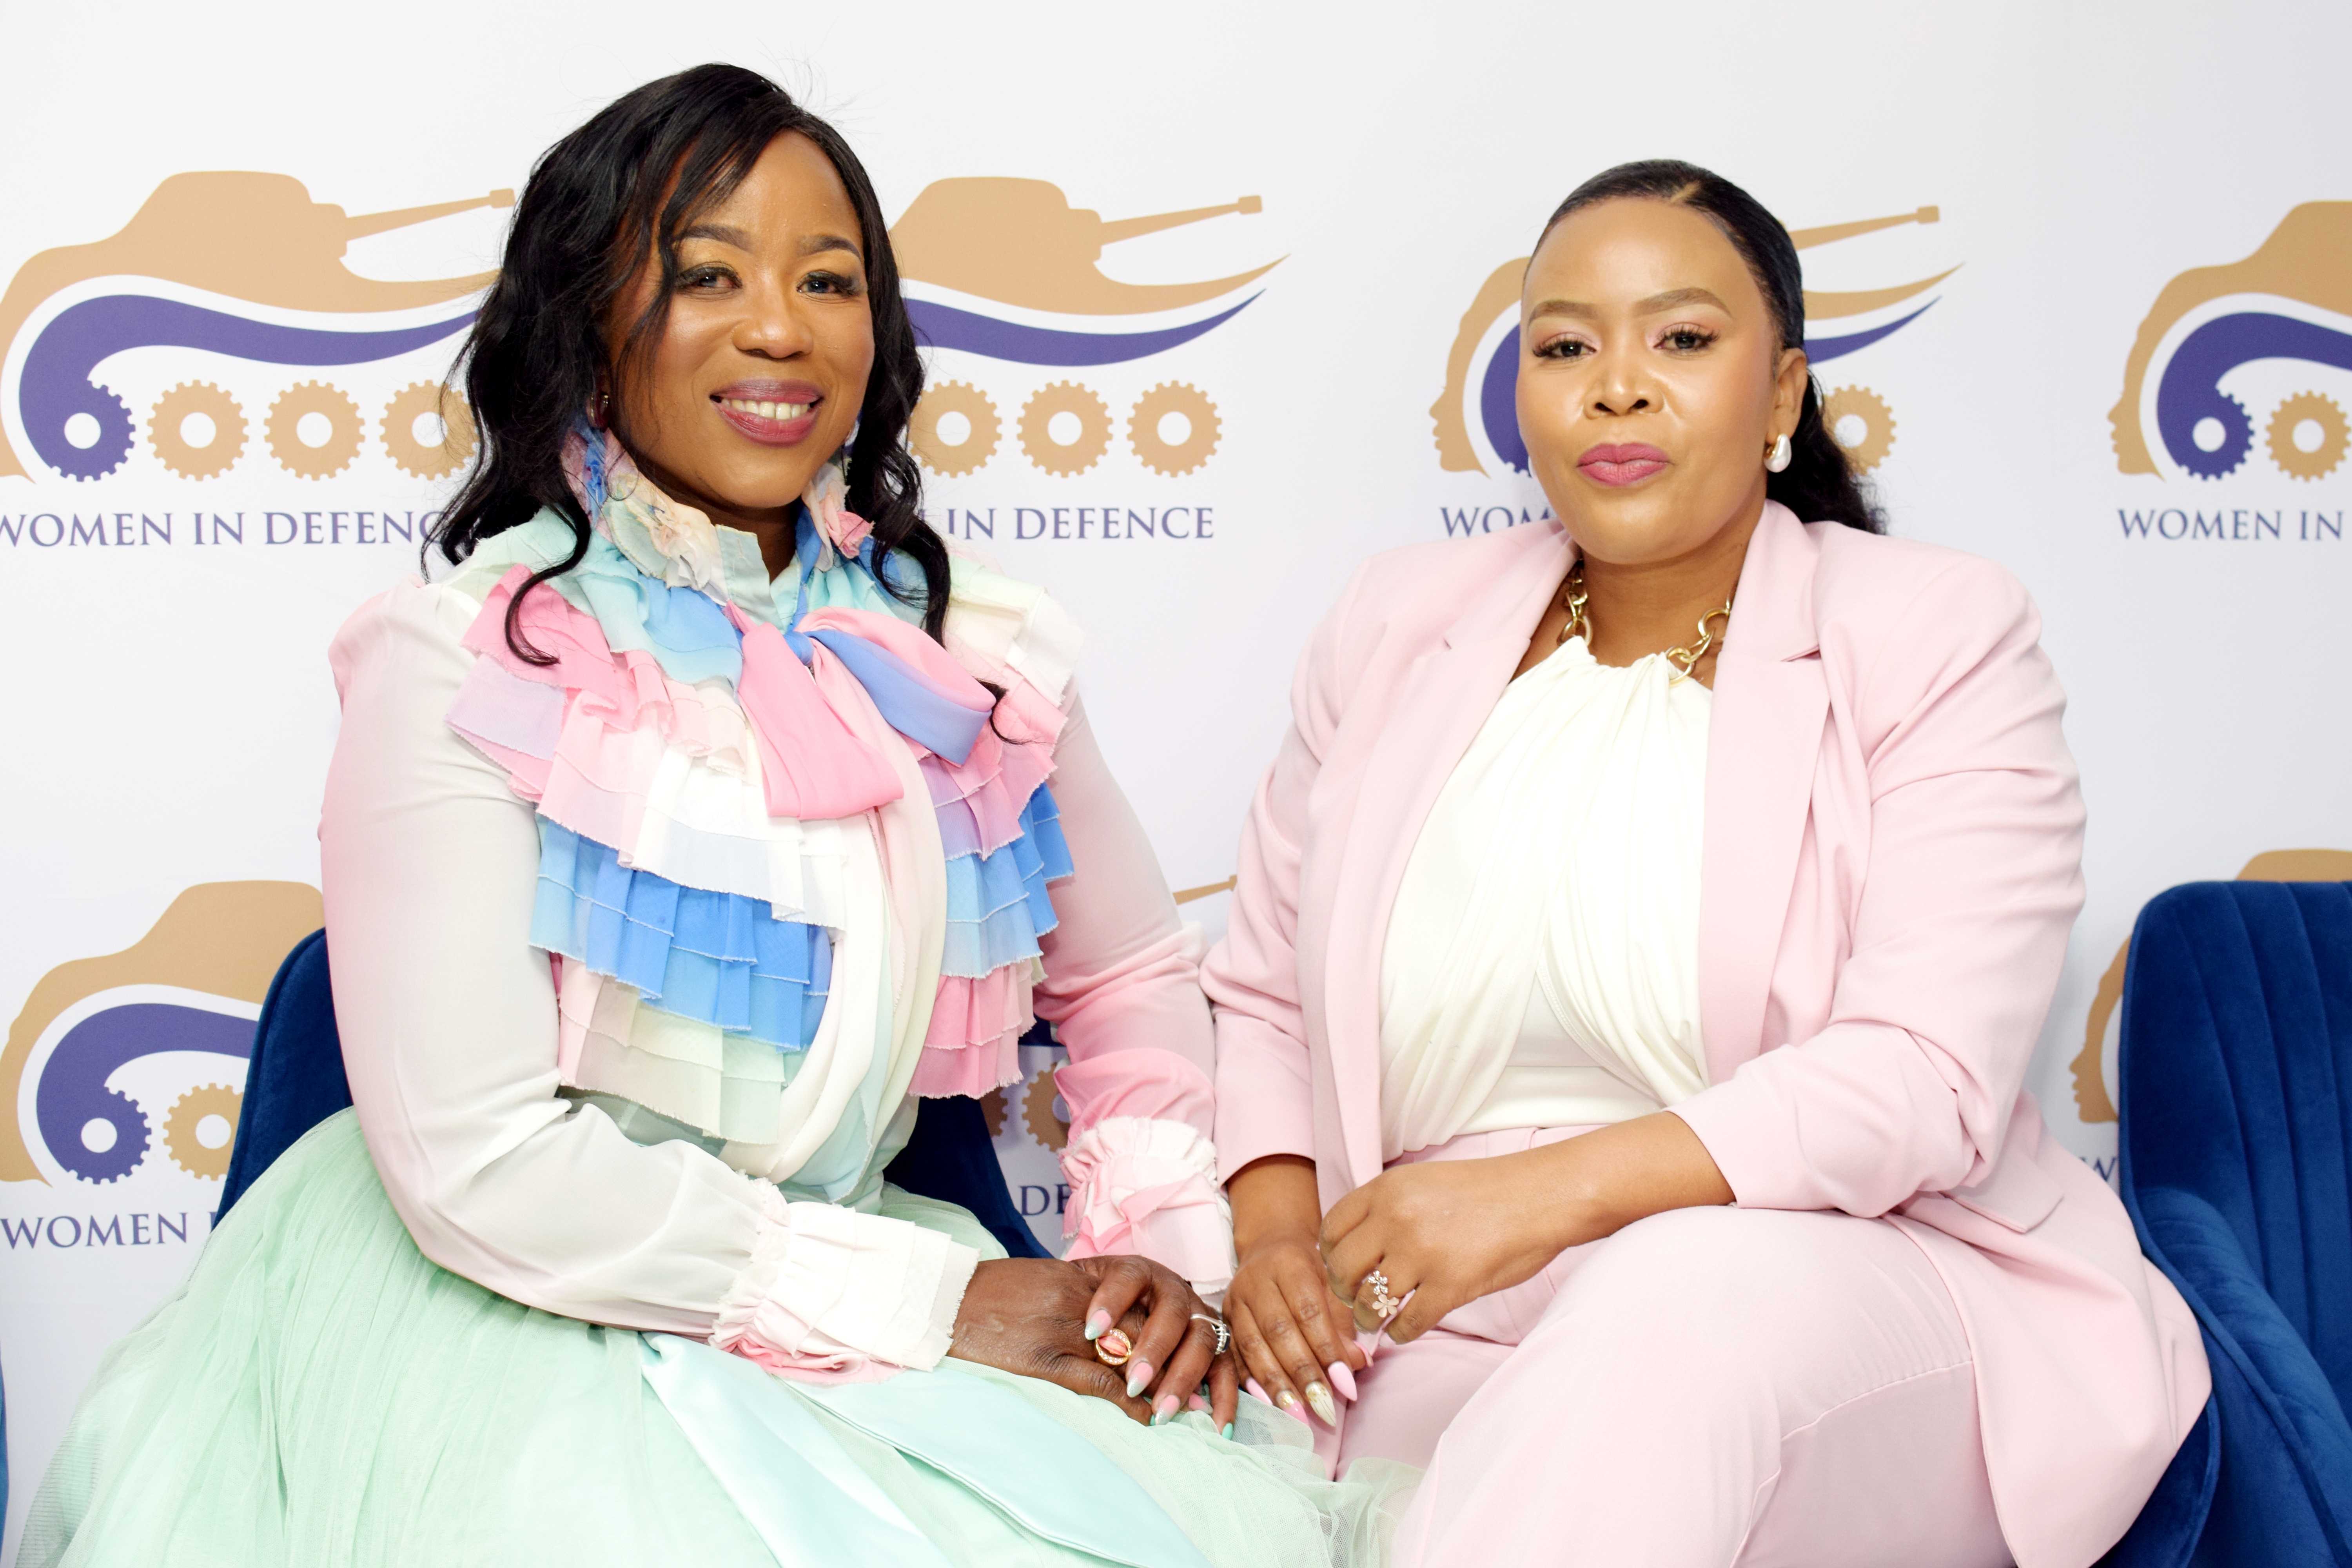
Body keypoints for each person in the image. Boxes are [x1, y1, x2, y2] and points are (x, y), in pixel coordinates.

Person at [23, 65, 1406, 1568]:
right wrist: (933, 1300)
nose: (780, 328)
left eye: (829, 280)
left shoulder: (966, 654)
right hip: (506, 1311)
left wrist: (1162, 1266)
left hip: (877, 1286)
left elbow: (1129, 974)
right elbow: (482, 1164)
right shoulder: (463, 658)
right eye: (707, 276)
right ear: (586, 318)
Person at [1208, 160, 2210, 1568]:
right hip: (1426, 1305)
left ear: (1784, 395)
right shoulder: (1396, 623)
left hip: (1838, 1270)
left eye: (1680, 338)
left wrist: (1541, 1199)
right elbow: (1262, 994)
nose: (1617, 389)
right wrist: (1273, 1251)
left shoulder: (1935, 630)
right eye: (1565, 348)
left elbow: (1924, 1076)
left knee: (1674, 1303)